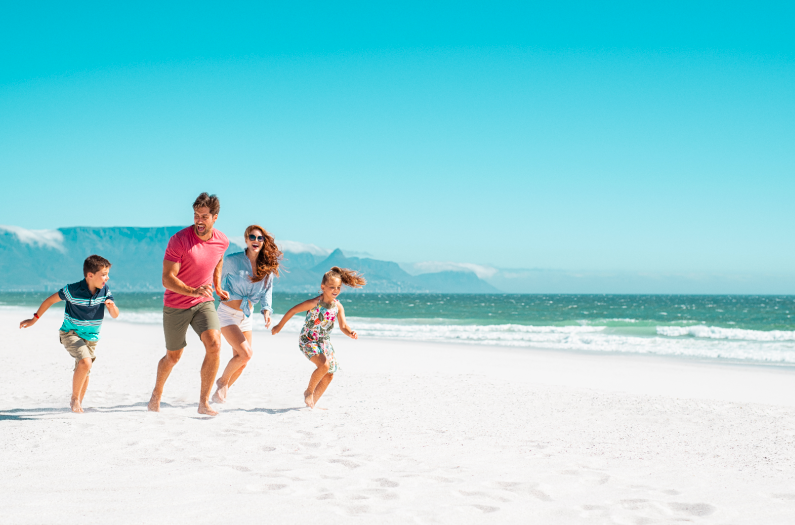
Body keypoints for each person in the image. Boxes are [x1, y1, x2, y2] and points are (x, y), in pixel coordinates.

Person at [147, 192, 230, 416]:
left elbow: (218, 260)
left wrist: (217, 285)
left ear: (215, 217)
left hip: (203, 302)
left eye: (204, 216)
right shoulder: (179, 240)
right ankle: (156, 393)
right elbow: (167, 279)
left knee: (214, 345)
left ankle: (203, 403)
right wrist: (192, 290)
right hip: (176, 304)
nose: (199, 221)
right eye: (196, 215)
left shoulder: (222, 240)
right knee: (173, 356)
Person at [19, 255, 119, 413]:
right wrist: (34, 319)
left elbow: (115, 315)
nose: (107, 277)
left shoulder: (104, 290)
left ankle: (78, 403)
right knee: (86, 363)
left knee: (85, 369)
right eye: (103, 274)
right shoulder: (72, 290)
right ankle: (74, 399)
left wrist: (111, 306)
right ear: (90, 275)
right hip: (70, 333)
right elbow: (49, 301)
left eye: (107, 274)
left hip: (91, 338)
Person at [271, 267, 365, 408]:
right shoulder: (314, 303)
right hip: (308, 339)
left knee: (329, 374)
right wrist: (279, 326)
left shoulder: (338, 306)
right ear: (323, 287)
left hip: (324, 343)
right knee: (324, 365)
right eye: (332, 287)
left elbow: (343, 326)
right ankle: (308, 391)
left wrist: (351, 332)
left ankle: (312, 404)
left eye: (338, 287)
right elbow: (293, 310)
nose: (335, 290)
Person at [211, 225, 282, 404]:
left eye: (260, 238)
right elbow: (216, 273)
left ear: (264, 242)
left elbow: (267, 290)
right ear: (246, 239)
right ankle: (221, 382)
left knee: (242, 362)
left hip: (246, 317)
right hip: (227, 314)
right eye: (252, 237)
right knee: (246, 354)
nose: (256, 241)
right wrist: (217, 289)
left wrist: (266, 310)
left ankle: (219, 394)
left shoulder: (266, 267)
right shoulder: (233, 260)